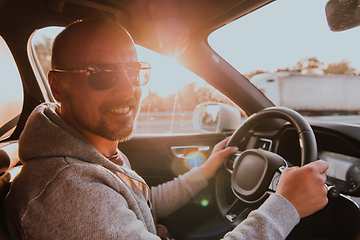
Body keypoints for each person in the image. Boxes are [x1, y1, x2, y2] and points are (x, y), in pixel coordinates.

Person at [5, 19, 329, 239]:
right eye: (101, 72)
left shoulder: (90, 152)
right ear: (58, 87)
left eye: (133, 70)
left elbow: (142, 205)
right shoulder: (69, 192)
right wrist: (284, 206)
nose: (126, 89)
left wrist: (204, 171)